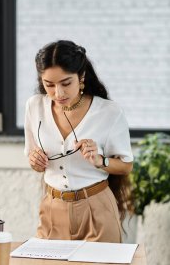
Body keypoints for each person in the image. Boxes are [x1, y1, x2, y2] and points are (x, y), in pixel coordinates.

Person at [24, 40, 133, 243]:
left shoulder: (109, 112)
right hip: (52, 210)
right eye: (49, 85)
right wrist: (35, 161)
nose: (59, 93)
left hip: (96, 209)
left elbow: (126, 166)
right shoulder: (34, 107)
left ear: (81, 77)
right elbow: (33, 160)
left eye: (66, 83)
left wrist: (100, 160)